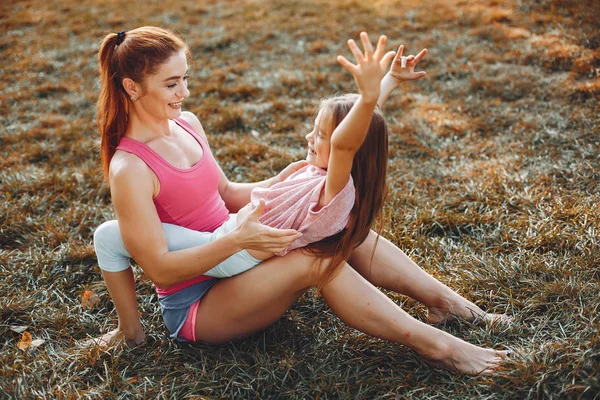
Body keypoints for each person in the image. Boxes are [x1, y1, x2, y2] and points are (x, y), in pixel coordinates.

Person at [92, 26, 509, 375]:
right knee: (316, 259)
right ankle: (439, 346)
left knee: (340, 224)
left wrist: (279, 186)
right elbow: (160, 266)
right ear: (132, 87)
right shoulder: (130, 168)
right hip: (200, 305)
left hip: (244, 257)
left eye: (185, 78)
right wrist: (239, 242)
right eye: (171, 83)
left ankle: (448, 305)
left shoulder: (186, 124)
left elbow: (224, 194)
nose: (184, 92)